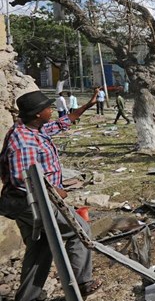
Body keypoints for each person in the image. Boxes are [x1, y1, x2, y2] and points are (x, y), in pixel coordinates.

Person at [0, 89, 103, 301]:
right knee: (78, 229)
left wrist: (87, 105)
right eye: (48, 108)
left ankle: (28, 296)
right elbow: (23, 181)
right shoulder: (23, 142)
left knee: (41, 246)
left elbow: (61, 123)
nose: (52, 110)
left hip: (33, 201)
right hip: (32, 202)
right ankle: (83, 282)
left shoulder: (34, 128)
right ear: (38, 113)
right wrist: (57, 192)